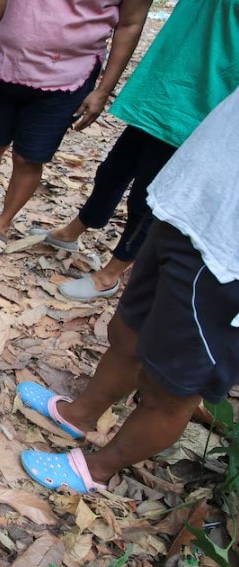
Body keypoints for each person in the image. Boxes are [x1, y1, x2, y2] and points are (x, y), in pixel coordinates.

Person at [16, 86, 239, 494]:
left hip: (229, 259)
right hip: (186, 203)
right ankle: (79, 413)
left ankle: (98, 469)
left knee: (172, 386)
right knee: (127, 330)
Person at [34, 0, 239, 301]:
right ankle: (73, 231)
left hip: (200, 106)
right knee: (112, 172)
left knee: (146, 199)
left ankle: (111, 274)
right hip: (164, 90)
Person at [0, 0, 151, 258]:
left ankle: (2, 224)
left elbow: (130, 24)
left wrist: (103, 91)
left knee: (28, 158)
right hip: (9, 64)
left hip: (67, 76)